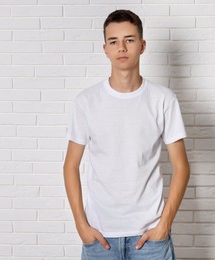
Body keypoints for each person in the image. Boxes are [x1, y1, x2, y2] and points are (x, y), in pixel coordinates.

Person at [63, 9, 190, 260]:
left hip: (150, 237)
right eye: (114, 41)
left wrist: (164, 224)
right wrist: (81, 225)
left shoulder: (163, 99)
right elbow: (70, 165)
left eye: (129, 40)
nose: (121, 47)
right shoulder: (86, 101)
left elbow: (181, 166)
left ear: (142, 46)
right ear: (105, 48)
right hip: (100, 237)